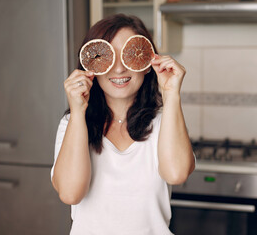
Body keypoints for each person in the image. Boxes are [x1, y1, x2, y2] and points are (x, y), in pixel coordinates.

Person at [51, 13, 195, 235]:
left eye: (130, 56)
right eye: (106, 57)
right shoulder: (71, 124)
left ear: (147, 64)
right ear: (91, 67)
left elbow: (176, 174)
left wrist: (171, 94)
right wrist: (79, 113)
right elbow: (71, 194)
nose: (118, 69)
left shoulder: (164, 123)